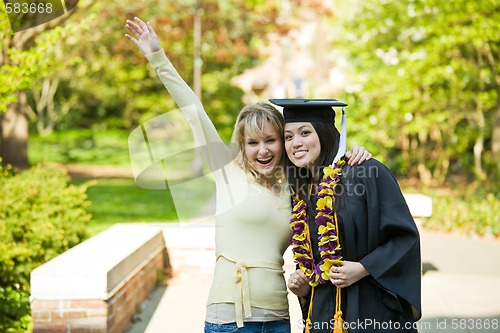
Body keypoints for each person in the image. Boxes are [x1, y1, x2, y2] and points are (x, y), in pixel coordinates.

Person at [125, 18, 372, 333]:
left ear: (282, 143)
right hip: (230, 320)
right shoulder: (228, 175)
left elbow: (326, 176)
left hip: (279, 320)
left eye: (271, 140)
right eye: (253, 142)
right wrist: (157, 57)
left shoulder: (296, 187)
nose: (263, 150)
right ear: (241, 146)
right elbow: (193, 110)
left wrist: (356, 154)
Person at [271, 99, 421, 333]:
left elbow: (404, 238)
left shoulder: (365, 172)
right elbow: (314, 261)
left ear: (324, 133)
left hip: (370, 313)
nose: (295, 143)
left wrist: (362, 268)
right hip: (322, 316)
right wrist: (304, 285)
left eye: (305, 132)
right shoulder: (301, 193)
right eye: (288, 136)